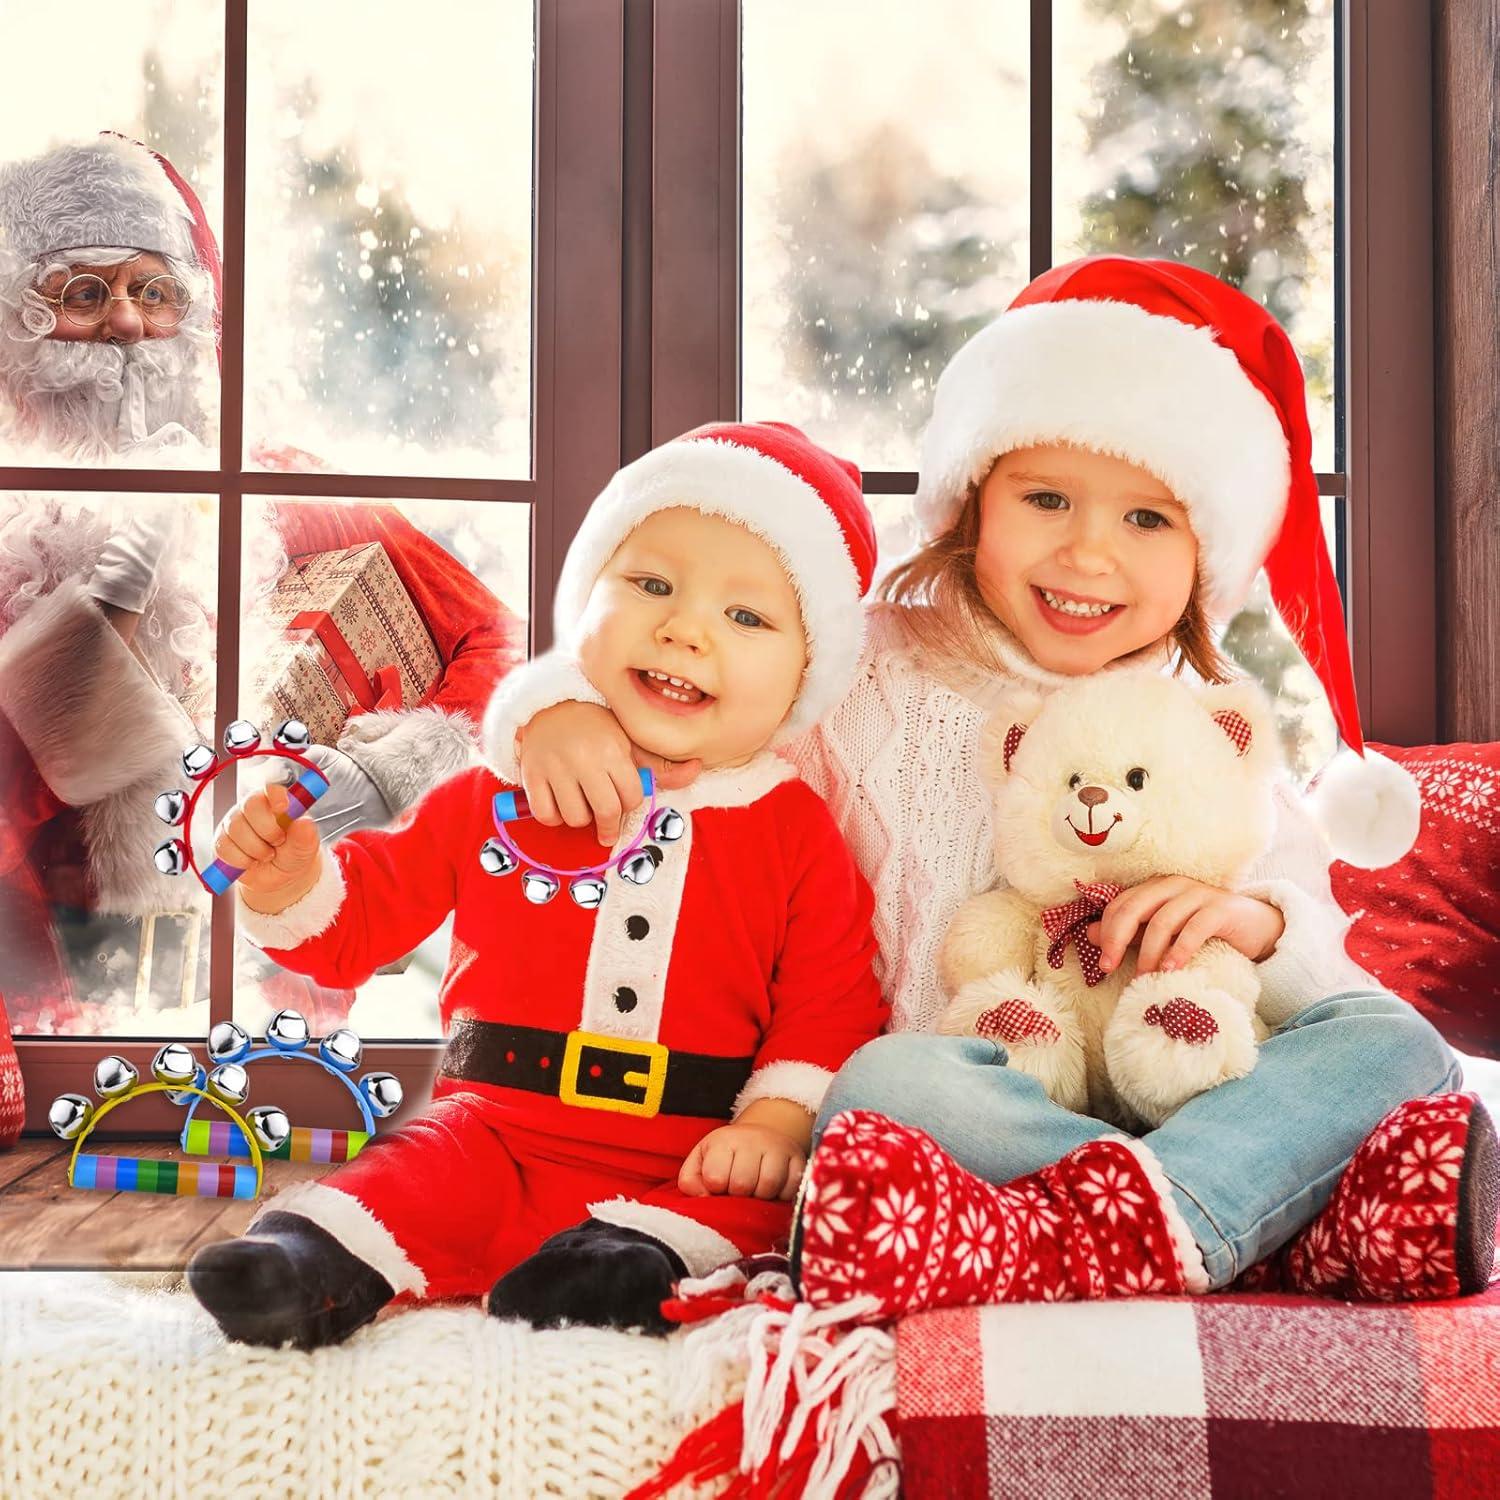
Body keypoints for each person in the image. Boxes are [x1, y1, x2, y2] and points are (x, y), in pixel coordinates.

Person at [490, 257, 1496, 1312]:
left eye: (1148, 520)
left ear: (1210, 551)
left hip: (1184, 1095)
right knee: (882, 1085)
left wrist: (1254, 924)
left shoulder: (1204, 710)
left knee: (1399, 1047)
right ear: (973, 497)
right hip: (964, 1121)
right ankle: (1232, 1225)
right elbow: (686, 721)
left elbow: (1328, 975)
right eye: (1046, 498)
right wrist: (556, 709)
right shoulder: (859, 667)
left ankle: (1111, 1228)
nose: (1088, 555)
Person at [185, 421, 889, 1348]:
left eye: (747, 617)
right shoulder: (501, 790)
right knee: (410, 1173)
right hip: (494, 1131)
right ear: (586, 598)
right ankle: (309, 1266)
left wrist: (773, 1121)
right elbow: (361, 924)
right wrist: (291, 881)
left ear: (807, 676)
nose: (684, 629)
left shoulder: (792, 830)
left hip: (687, 1156)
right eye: (652, 585)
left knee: (739, 1217)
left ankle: (623, 1269)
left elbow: (830, 1001)